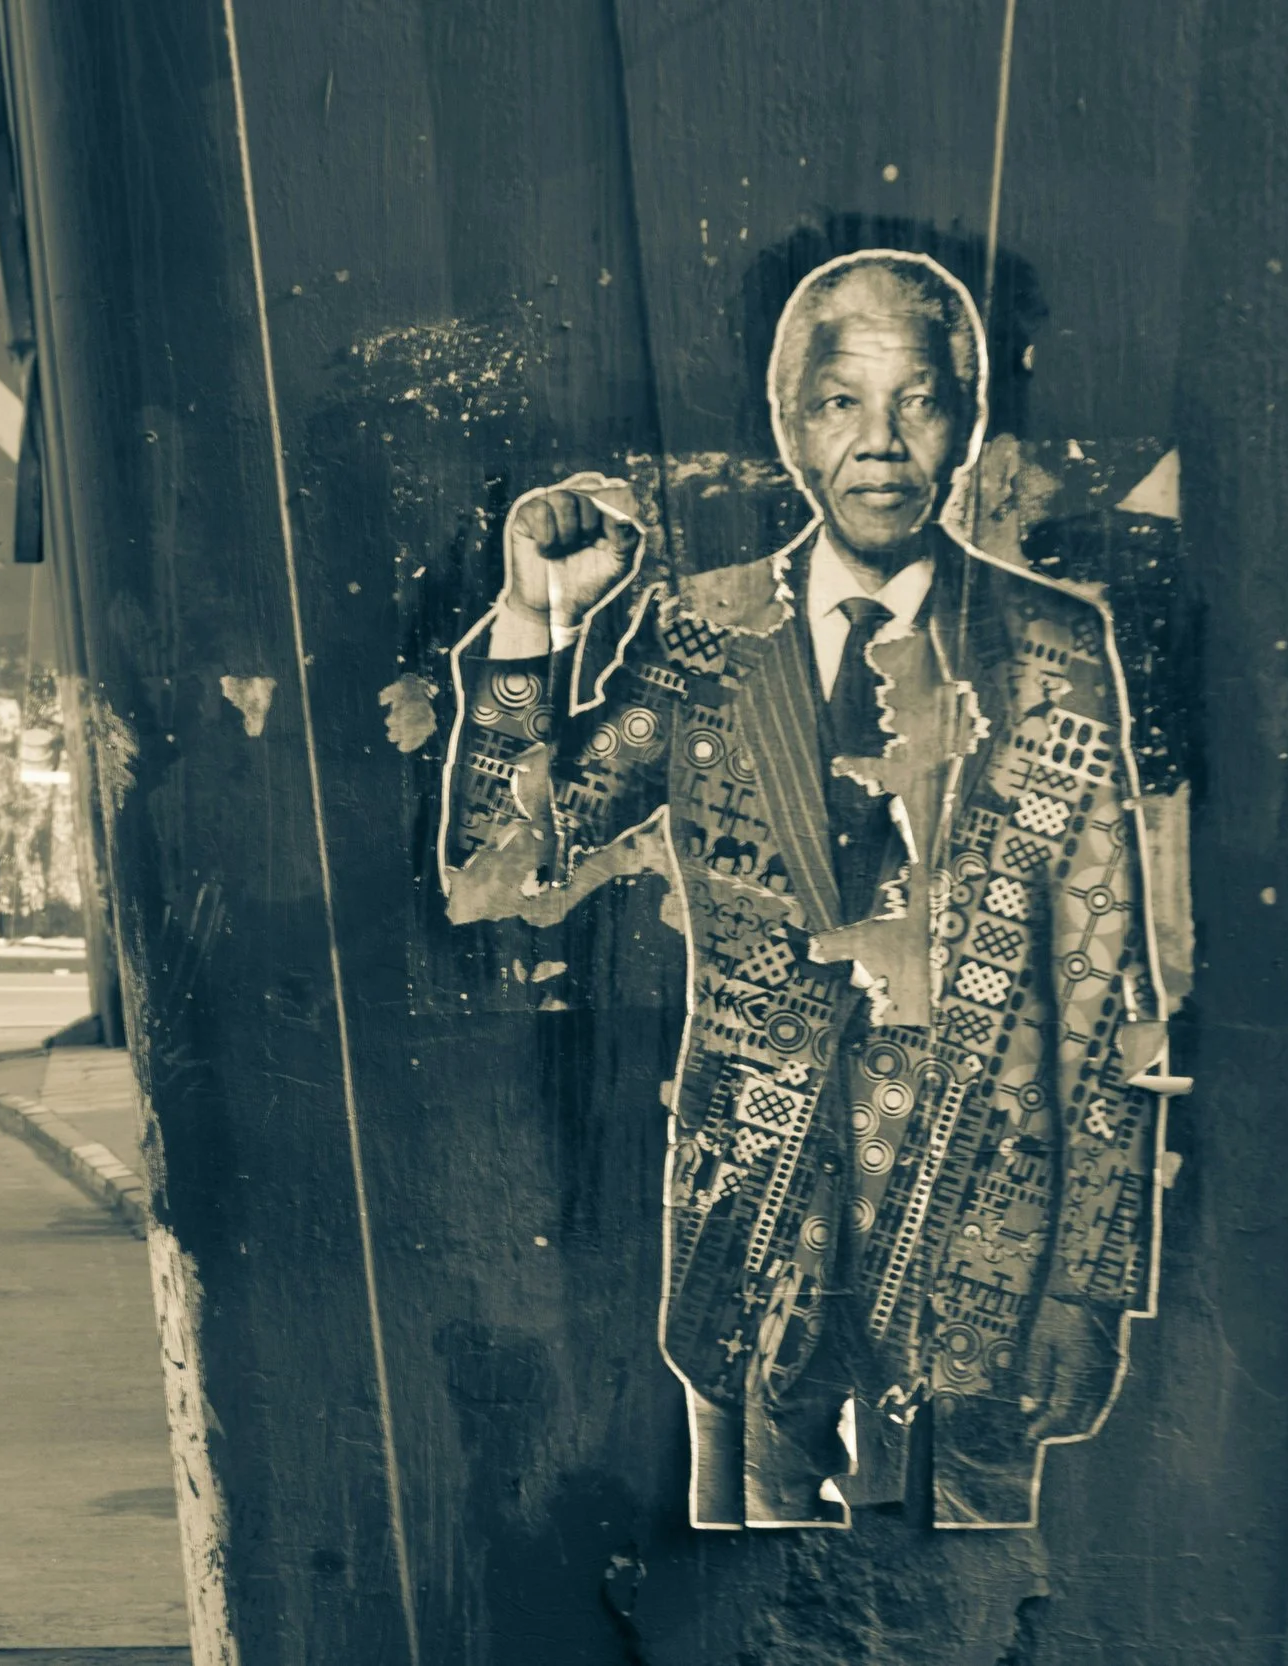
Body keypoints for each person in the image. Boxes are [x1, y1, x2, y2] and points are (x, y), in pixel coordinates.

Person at [439, 250, 1173, 1530]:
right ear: (788, 422)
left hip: (979, 1263)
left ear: (965, 422)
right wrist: (530, 619)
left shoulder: (1053, 646)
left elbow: (1101, 987)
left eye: (919, 399)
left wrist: (1086, 1284)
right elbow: (510, 859)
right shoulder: (702, 630)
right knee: (746, 1583)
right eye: (840, 401)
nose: (880, 440)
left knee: (968, 1587)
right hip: (751, 1241)